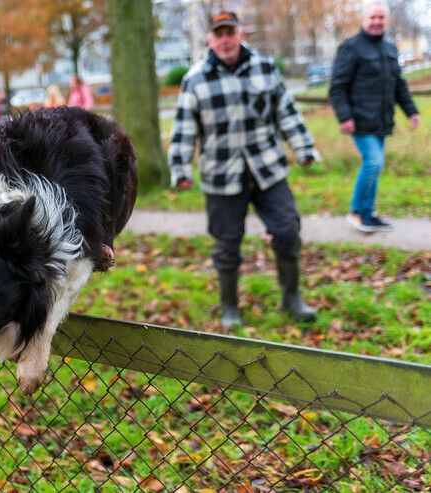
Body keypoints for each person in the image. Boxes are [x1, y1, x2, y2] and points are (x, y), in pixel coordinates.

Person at [168, 11, 320, 328]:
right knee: (226, 243)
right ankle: (229, 307)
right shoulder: (195, 79)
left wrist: (304, 148)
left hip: (268, 170)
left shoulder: (265, 68)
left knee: (287, 230)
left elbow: (287, 113)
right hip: (222, 177)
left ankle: (292, 298)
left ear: (240, 34)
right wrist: (180, 168)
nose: (225, 40)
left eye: (230, 33)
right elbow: (184, 130)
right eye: (218, 34)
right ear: (211, 39)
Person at [329, 1, 420, 233]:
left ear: (385, 20)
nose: (377, 21)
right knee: (374, 162)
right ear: (364, 20)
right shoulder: (351, 47)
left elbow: (399, 85)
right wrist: (344, 117)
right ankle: (357, 211)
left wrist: (411, 111)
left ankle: (368, 213)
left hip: (381, 120)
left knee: (375, 165)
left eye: (381, 17)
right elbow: (337, 86)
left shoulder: (390, 49)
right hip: (359, 119)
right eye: (373, 17)